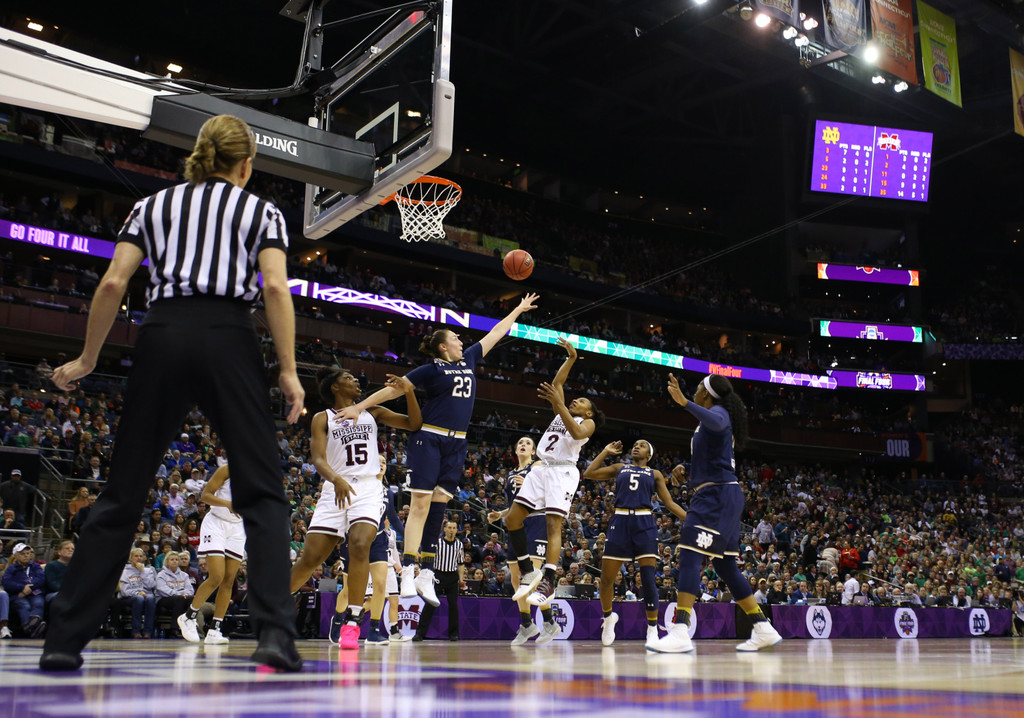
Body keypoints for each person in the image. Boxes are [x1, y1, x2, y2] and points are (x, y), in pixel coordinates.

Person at [40, 114, 305, 672]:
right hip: (228, 334)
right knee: (261, 489)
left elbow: (113, 282)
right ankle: (276, 637)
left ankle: (63, 641)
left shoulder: (151, 206)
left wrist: (88, 359)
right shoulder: (261, 210)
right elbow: (275, 287)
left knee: (122, 493)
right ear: (246, 164)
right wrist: (288, 369)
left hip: (162, 332)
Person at [336, 294, 539, 608]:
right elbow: (394, 389)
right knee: (419, 504)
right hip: (428, 438)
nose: (461, 341)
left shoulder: (470, 358)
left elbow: (497, 332)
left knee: (440, 505)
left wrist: (518, 310)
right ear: (443, 346)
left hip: (458, 442)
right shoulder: (430, 370)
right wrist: (359, 407)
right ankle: (408, 569)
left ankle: (425, 572)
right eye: (455, 338)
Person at [647, 373, 782, 654]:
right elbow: (715, 458)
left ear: (706, 394)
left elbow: (720, 422)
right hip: (723, 493)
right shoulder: (707, 420)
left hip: (716, 497)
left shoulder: (717, 412)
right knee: (725, 566)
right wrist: (687, 468)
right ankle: (763, 627)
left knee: (689, 555)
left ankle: (680, 629)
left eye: (696, 389)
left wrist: (683, 402)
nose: (694, 392)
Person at [289, 367, 421, 650]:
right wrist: (335, 478)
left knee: (360, 543)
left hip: (367, 487)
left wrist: (409, 391)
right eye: (348, 378)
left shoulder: (372, 411)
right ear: (335, 387)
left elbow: (413, 423)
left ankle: (352, 621)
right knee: (310, 559)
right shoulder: (322, 417)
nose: (356, 381)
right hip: (335, 487)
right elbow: (318, 458)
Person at [508, 337, 603, 607]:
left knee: (553, 525)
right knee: (513, 520)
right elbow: (558, 384)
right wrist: (571, 359)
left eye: (582, 401)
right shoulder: (562, 412)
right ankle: (529, 571)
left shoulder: (588, 423)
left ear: (590, 411)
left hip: (563, 472)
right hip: (541, 469)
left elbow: (576, 431)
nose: (575, 401)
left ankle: (549, 580)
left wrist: (559, 405)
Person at [583, 439, 686, 646]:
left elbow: (669, 503)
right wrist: (605, 450)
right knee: (606, 579)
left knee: (648, 579)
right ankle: (608, 617)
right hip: (620, 521)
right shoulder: (621, 467)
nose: (636, 446)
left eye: (643, 444)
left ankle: (652, 629)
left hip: (644, 522)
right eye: (635, 444)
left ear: (649, 454)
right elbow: (589, 473)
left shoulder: (655, 474)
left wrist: (692, 521)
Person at [486, 436, 559, 646]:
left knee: (532, 577)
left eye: (527, 443)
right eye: (520, 443)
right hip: (516, 525)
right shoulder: (510, 475)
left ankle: (549, 622)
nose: (523, 445)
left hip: (536, 521)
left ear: (534, 451)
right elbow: (515, 506)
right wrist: (500, 514)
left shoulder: (537, 466)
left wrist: (529, 483)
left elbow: (549, 491)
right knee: (516, 579)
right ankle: (527, 624)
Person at [177, 464, 244, 646]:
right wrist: (228, 504)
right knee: (216, 576)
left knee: (229, 580)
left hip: (238, 527)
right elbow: (205, 496)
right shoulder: (228, 469)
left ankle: (215, 630)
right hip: (216, 523)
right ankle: (188, 616)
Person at [414, 520, 464, 642]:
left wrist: (461, 579)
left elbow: (461, 563)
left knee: (453, 605)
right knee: (430, 604)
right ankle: (420, 633)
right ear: (445, 529)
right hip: (438, 575)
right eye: (449, 527)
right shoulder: (438, 543)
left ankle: (453, 634)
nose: (452, 530)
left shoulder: (459, 545)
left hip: (452, 576)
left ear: (457, 530)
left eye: (454, 528)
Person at [2, 543, 46, 637]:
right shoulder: (11, 569)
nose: (26, 555)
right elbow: (7, 583)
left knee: (38, 602)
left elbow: (41, 579)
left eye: (28, 553)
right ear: (16, 556)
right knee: (24, 605)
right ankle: (34, 627)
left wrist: (29, 587)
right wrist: (22, 588)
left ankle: (31, 625)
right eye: (22, 554)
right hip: (18, 595)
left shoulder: (35, 566)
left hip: (34, 593)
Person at [117, 547, 156, 639]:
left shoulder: (148, 570)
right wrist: (137, 592)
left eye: (140, 556)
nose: (138, 558)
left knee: (151, 598)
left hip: (146, 595)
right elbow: (124, 591)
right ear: (131, 558)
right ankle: (136, 631)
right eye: (136, 556)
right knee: (139, 599)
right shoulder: (125, 571)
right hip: (128, 598)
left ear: (143, 558)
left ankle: (147, 632)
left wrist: (142, 572)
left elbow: (151, 585)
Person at [155, 552, 195, 631]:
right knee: (178, 599)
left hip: (181, 597)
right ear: (167, 562)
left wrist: (184, 594)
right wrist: (179, 594)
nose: (174, 561)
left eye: (176, 560)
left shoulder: (184, 575)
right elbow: (162, 589)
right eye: (172, 559)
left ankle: (190, 627)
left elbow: (190, 590)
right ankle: (175, 628)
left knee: (192, 599)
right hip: (164, 598)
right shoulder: (161, 575)